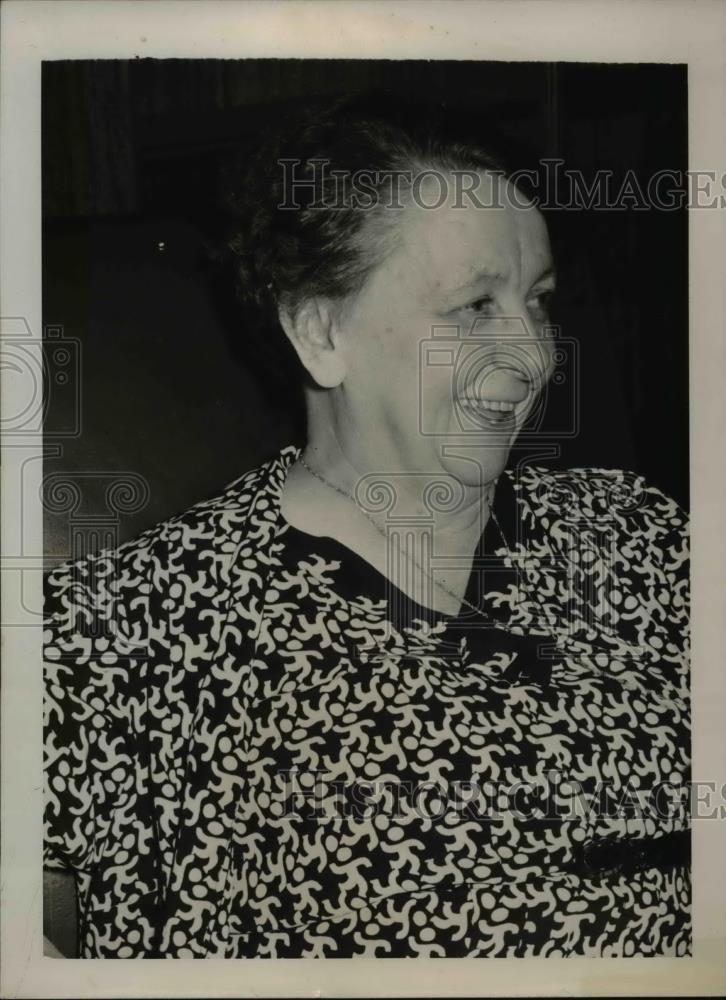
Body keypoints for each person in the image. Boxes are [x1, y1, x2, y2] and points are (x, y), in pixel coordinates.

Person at [43, 94, 690, 958]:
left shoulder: (639, 533)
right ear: (321, 331)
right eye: (473, 308)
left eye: (537, 301)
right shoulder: (133, 628)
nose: (535, 354)